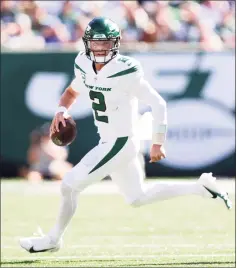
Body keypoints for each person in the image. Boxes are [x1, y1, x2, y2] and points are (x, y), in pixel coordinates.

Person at [19, 17, 232, 253]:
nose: (100, 49)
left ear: (116, 44)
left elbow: (158, 104)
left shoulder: (125, 69)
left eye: (106, 43)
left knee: (69, 185)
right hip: (110, 139)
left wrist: (157, 142)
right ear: (87, 43)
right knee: (137, 197)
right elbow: (71, 91)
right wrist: (61, 110)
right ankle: (200, 187)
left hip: (120, 141)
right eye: (96, 43)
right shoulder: (82, 63)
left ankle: (53, 239)